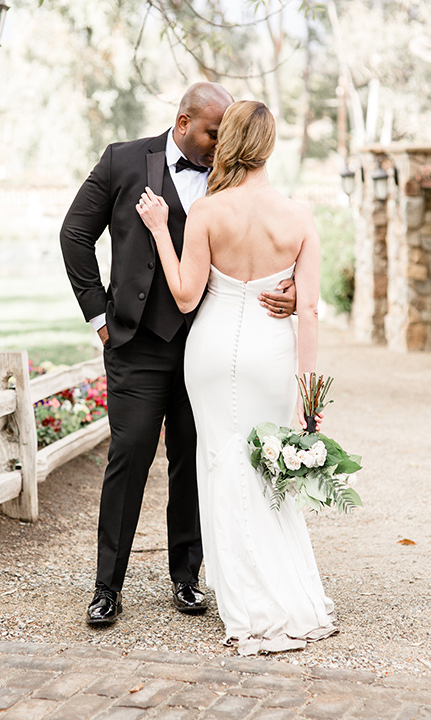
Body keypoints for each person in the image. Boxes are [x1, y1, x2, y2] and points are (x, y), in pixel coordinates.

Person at [60, 84, 297, 627]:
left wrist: (290, 293)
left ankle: (187, 578)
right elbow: (75, 235)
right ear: (184, 121)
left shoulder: (233, 178)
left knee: (195, 459)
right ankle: (106, 587)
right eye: (214, 132)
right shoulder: (123, 160)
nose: (221, 144)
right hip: (135, 348)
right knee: (130, 459)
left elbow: (265, 246)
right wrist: (100, 319)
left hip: (206, 347)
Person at [137, 99, 338, 655]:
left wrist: (158, 229)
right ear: (269, 148)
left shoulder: (206, 211)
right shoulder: (299, 218)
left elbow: (183, 294)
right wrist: (307, 396)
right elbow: (310, 311)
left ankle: (243, 598)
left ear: (228, 145)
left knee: (222, 462)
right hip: (271, 355)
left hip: (211, 351)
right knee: (268, 470)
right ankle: (281, 590)